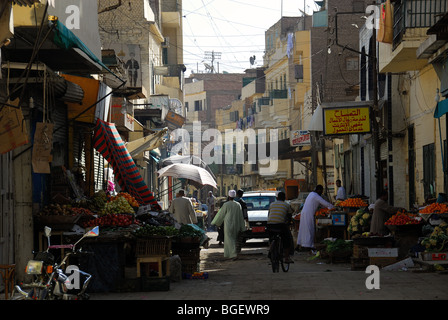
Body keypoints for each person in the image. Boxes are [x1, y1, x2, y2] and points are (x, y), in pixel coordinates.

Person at [296, 185, 334, 252]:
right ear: (319, 190)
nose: (321, 192)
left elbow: (321, 204)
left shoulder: (311, 194)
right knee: (309, 229)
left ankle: (301, 244)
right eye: (321, 191)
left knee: (303, 229)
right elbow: (325, 203)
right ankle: (308, 246)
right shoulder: (316, 196)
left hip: (304, 213)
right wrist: (332, 206)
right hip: (308, 214)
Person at [211, 190, 246, 259]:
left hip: (228, 224)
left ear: (229, 196)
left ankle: (231, 254)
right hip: (237, 224)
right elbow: (241, 216)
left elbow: (221, 214)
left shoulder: (226, 205)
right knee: (234, 239)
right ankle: (233, 253)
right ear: (235, 196)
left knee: (229, 239)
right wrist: (242, 226)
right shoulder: (238, 205)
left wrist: (217, 223)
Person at [267, 191, 294, 263]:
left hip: (270, 225)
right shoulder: (286, 205)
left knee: (272, 238)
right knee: (287, 239)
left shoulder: (272, 204)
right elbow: (289, 216)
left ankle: (271, 249)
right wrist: (289, 223)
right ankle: (287, 258)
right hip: (281, 225)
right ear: (284, 198)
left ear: (277, 198)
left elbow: (269, 214)